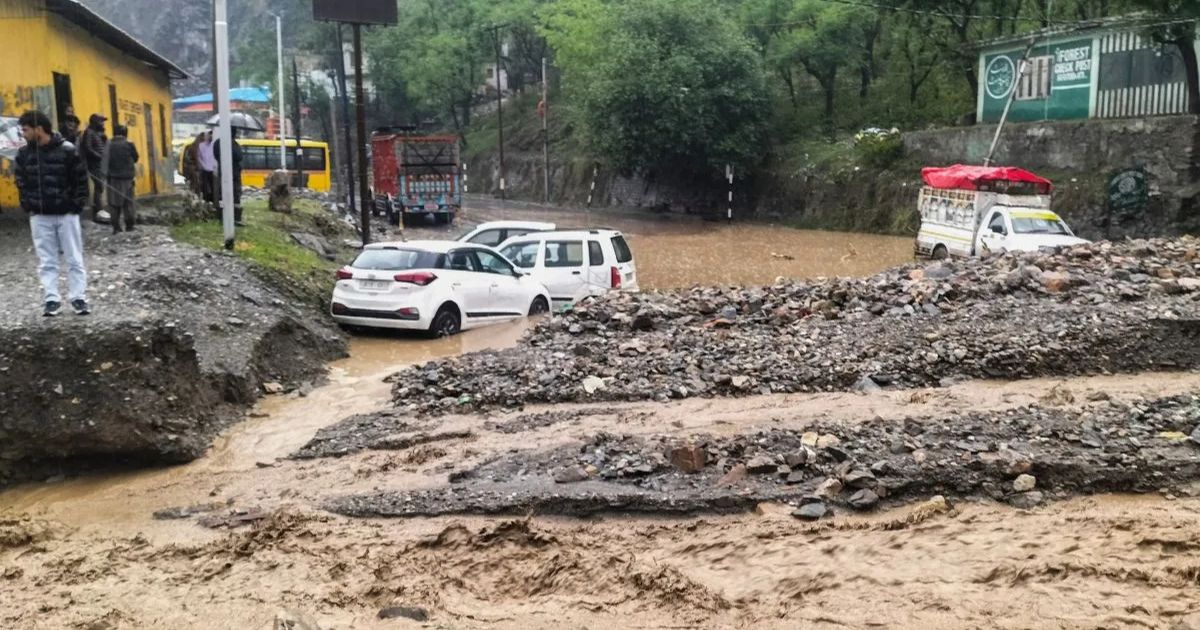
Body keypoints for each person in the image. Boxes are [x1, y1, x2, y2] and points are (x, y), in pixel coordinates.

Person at [13, 110, 90, 317]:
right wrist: (28, 205)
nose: (24, 134)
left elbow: (81, 181)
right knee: (46, 260)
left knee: (74, 257)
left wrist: (76, 206)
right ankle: (51, 299)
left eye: (26, 129)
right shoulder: (23, 154)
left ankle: (79, 298)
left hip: (66, 214)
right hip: (39, 215)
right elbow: (20, 182)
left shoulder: (67, 150)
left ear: (39, 129)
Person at [100, 124, 139, 234]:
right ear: (126, 133)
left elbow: (104, 160)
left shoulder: (109, 144)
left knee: (114, 203)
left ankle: (116, 226)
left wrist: (104, 175)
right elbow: (136, 158)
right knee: (128, 202)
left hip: (113, 179)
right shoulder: (129, 144)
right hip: (127, 178)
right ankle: (130, 225)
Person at [79, 113, 108, 220]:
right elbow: (88, 148)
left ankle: (99, 209)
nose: (103, 124)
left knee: (100, 186)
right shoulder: (89, 133)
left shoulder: (97, 133)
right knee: (99, 185)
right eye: (101, 121)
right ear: (95, 122)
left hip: (100, 164)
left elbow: (102, 147)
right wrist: (99, 156)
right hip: (94, 164)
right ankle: (98, 210)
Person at [212, 129, 244, 226]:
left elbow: (216, 155)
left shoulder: (217, 142)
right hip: (233, 173)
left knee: (223, 194)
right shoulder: (233, 144)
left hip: (224, 171)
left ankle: (223, 217)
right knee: (235, 195)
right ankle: (235, 218)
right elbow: (239, 157)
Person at [197, 130, 216, 204]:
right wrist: (203, 166)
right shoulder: (201, 146)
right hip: (204, 169)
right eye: (209, 135)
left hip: (212, 169)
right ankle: (206, 200)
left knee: (212, 186)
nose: (210, 137)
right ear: (205, 137)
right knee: (205, 186)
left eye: (211, 135)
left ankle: (212, 201)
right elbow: (199, 157)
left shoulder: (213, 145)